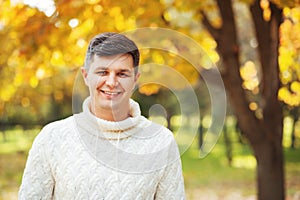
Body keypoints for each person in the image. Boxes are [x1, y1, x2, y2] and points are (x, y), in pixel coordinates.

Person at [19, 32, 185, 199]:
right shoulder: (52, 138)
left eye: (122, 74)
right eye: (103, 72)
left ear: (135, 79)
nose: (112, 82)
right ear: (86, 76)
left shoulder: (161, 142)